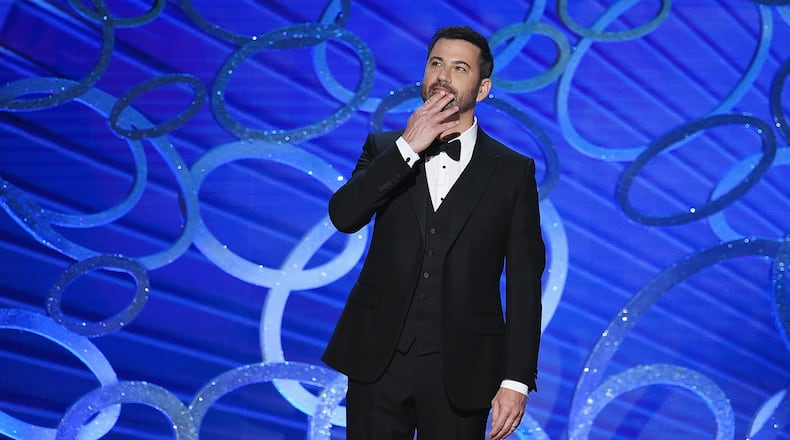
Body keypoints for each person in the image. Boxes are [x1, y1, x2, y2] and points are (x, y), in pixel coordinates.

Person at [322, 25, 545, 440]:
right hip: (377, 360)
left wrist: (515, 380)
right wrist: (408, 146)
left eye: (459, 67)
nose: (443, 75)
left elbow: (524, 282)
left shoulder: (513, 172)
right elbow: (343, 215)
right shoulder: (384, 148)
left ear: (482, 89)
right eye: (436, 63)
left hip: (463, 368)